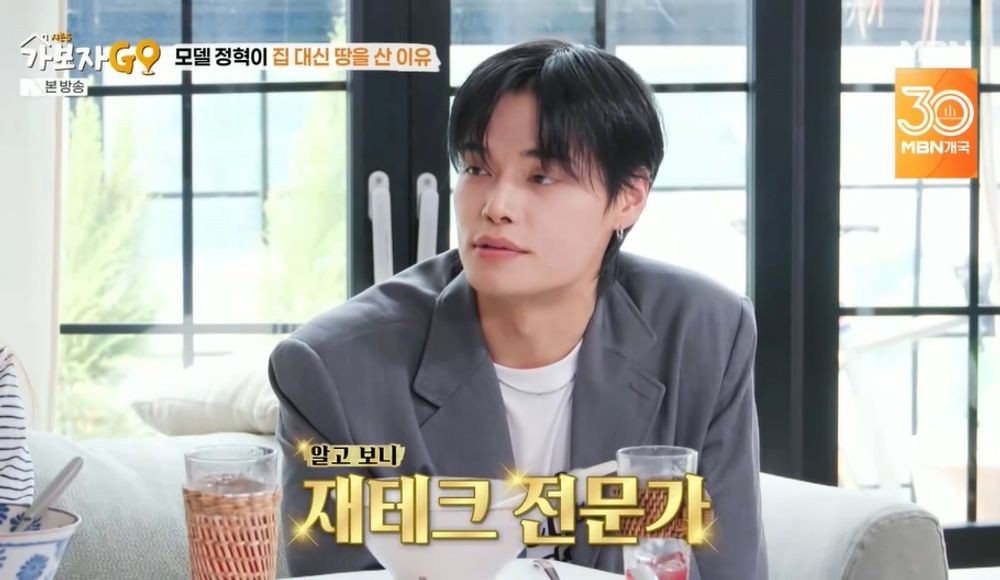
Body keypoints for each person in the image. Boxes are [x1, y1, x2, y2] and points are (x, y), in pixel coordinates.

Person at [269, 39, 767, 579]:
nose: (496, 206)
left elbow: (730, 569)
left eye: (541, 177)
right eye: (477, 168)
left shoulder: (705, 336)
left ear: (629, 197)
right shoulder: (333, 370)